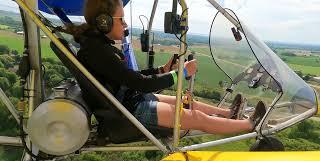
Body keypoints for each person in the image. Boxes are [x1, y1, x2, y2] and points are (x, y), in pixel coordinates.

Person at [65, 0, 266, 135]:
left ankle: (228, 114)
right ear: (104, 22)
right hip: (129, 113)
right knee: (194, 117)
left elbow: (127, 77)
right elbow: (140, 84)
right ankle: (249, 125)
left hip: (128, 101)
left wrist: (161, 70)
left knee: (186, 102)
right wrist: (181, 73)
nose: (125, 25)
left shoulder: (96, 46)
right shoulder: (98, 50)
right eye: (121, 19)